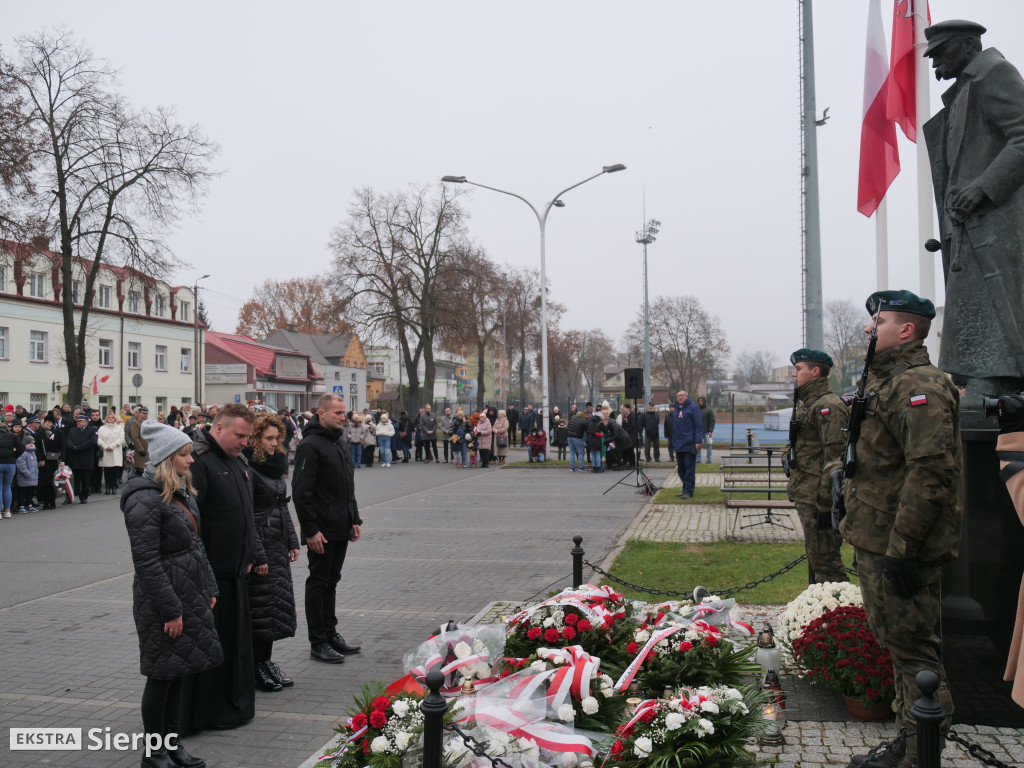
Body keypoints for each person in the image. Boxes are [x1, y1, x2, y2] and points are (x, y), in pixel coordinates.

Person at [840, 290, 963, 768]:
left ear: (906, 330)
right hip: (877, 539)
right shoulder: (886, 382)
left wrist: (902, 549)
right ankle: (908, 741)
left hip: (900, 546)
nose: (871, 329)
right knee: (897, 646)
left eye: (881, 321)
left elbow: (930, 473)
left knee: (916, 655)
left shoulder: (920, 386)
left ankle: (922, 753)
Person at [922, 20, 1024, 399]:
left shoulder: (994, 74)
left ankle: (994, 382)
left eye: (940, 54)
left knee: (997, 306)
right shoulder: (962, 91)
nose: (934, 66)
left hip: (994, 219)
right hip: (969, 225)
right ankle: (984, 382)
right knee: (975, 309)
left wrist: (982, 187)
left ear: (968, 45)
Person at [122, 420, 221, 768]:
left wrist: (209, 586)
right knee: (162, 676)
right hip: (163, 602)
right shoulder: (143, 501)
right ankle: (154, 753)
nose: (191, 460)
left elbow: (196, 544)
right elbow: (146, 562)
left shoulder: (178, 492)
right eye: (184, 454)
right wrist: (171, 611)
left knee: (181, 670)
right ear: (166, 458)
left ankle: (174, 745)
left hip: (189, 594)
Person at [184, 403, 260, 732]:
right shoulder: (199, 462)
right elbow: (190, 525)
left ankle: (235, 707)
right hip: (211, 578)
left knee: (236, 648)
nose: (245, 442)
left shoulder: (238, 459)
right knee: (211, 650)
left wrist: (254, 553)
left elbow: (246, 514)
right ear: (218, 428)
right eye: (239, 435)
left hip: (237, 572)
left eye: (248, 436)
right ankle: (206, 714)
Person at [292, 394, 363, 664]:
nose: (343, 417)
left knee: (332, 581)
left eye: (344, 412)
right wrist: (310, 530)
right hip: (320, 530)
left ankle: (331, 635)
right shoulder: (310, 445)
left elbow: (347, 486)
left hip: (340, 526)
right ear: (321, 414)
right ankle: (318, 642)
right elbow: (301, 492)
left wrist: (354, 519)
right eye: (337, 413)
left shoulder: (339, 441)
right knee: (319, 583)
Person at [244, 415, 300, 693]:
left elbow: (282, 506)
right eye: (268, 438)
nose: (274, 443)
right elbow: (248, 517)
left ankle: (265, 661)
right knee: (261, 609)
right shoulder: (249, 467)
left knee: (274, 608)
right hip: (262, 545)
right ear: (255, 438)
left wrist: (292, 540)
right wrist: (259, 554)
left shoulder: (275, 466)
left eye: (276, 438)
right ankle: (255, 666)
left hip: (276, 543)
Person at [786, 349, 848, 584]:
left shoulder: (827, 406)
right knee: (817, 558)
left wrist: (825, 505)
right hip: (807, 493)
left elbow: (835, 459)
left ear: (815, 371)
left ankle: (839, 615)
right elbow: (804, 443)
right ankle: (821, 614)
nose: (794, 374)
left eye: (798, 369)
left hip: (818, 499)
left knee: (827, 564)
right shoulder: (808, 403)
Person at [670, 391, 703, 499]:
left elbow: (699, 426)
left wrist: (698, 441)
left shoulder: (693, 408)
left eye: (681, 395)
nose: (679, 397)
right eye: (678, 396)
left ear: (686, 396)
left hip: (689, 443)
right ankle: (685, 488)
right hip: (678, 444)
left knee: (689, 469)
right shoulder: (676, 408)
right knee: (681, 470)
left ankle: (689, 490)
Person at [65, 413, 98, 505]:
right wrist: (73, 447)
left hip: (86, 458)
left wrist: (80, 447)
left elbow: (92, 441)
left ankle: (83, 496)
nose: (78, 423)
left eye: (80, 421)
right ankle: (70, 496)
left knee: (85, 480)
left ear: (86, 422)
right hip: (74, 457)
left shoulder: (92, 430)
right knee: (73, 480)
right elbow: (68, 440)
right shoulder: (72, 430)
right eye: (77, 421)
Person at [0, 416, 25, 518]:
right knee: (7, 488)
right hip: (10, 463)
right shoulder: (12, 436)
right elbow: (22, 448)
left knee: (0, 487)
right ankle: (7, 511)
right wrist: (14, 456)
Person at [97, 411, 127, 495]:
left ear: (115, 419)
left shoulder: (119, 428)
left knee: (114, 471)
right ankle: (107, 488)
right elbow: (99, 439)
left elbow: (121, 439)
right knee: (107, 471)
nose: (110, 419)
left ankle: (113, 487)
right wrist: (105, 446)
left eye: (112, 417)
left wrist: (112, 446)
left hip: (115, 451)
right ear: (106, 419)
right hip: (106, 451)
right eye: (109, 417)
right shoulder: (102, 428)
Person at [37, 413, 63, 509]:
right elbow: (38, 448)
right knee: (44, 482)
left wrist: (62, 460)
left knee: (53, 482)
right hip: (44, 460)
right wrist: (40, 459)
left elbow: (62, 447)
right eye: (46, 422)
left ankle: (52, 501)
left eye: (50, 422)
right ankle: (45, 502)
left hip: (54, 460)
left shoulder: (58, 432)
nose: (47, 424)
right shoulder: (40, 433)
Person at [15, 435, 38, 513]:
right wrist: (28, 474)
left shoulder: (33, 453)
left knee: (30, 492)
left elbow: (35, 465)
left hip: (32, 477)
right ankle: (21, 506)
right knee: (22, 492)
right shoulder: (23, 453)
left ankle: (29, 504)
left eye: (32, 443)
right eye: (29, 443)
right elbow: (21, 466)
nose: (31, 444)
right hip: (24, 477)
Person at [130, 407, 151, 478]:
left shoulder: (149, 423)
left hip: (149, 450)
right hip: (141, 452)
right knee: (141, 470)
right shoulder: (135, 423)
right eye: (144, 413)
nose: (145, 415)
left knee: (148, 472)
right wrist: (140, 449)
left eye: (146, 413)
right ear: (139, 413)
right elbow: (135, 437)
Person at [696, 396, 716, 464]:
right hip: (698, 432)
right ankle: (698, 459)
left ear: (704, 401)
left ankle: (709, 459)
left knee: (709, 445)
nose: (700, 402)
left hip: (707, 432)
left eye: (701, 400)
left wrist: (711, 431)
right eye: (699, 400)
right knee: (698, 445)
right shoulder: (696, 410)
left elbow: (712, 421)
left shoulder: (708, 410)